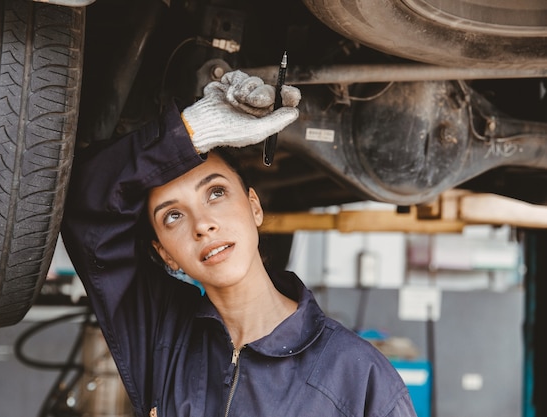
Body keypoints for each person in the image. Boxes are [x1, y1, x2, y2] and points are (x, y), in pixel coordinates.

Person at [61, 70, 417, 417]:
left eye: (216, 193)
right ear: (164, 252)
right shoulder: (161, 333)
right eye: (173, 216)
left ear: (254, 207)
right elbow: (82, 208)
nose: (203, 224)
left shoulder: (357, 376)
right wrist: (193, 132)